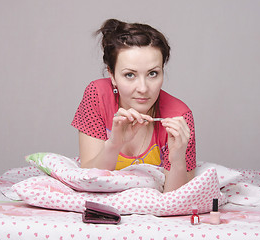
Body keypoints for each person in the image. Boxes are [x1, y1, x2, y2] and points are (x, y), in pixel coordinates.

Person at [71, 19, 196, 192]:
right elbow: (88, 178)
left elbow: (176, 200)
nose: (143, 88)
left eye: (153, 73)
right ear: (112, 75)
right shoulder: (97, 95)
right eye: (130, 75)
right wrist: (114, 144)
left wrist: (177, 160)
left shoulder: (179, 116)